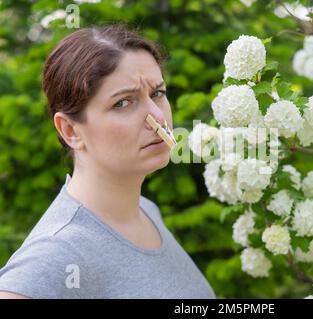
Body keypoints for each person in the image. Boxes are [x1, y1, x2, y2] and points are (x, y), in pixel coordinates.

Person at [0, 25, 216, 299]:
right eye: (123, 103)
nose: (157, 118)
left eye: (157, 94)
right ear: (70, 130)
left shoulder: (145, 210)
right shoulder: (57, 252)